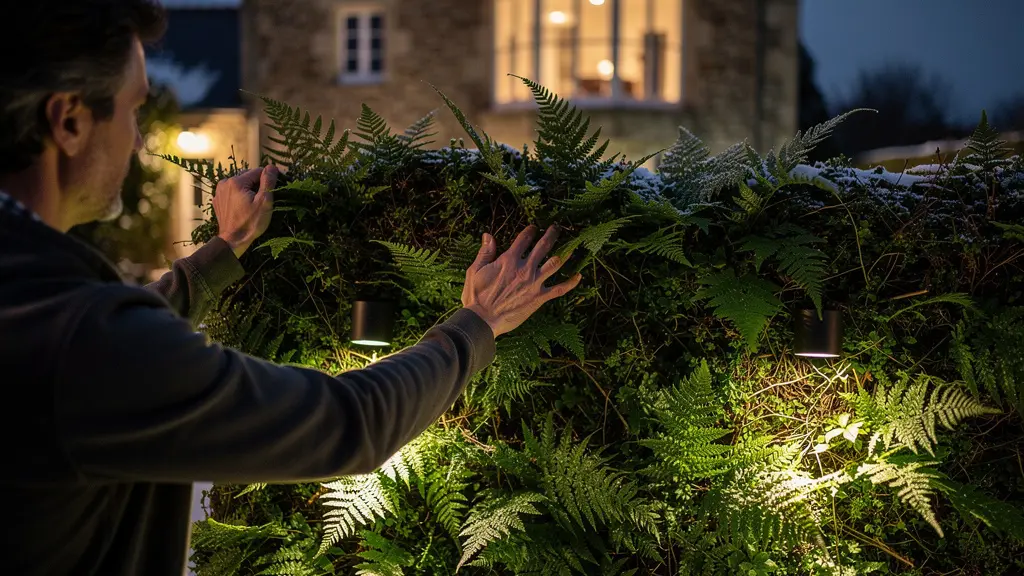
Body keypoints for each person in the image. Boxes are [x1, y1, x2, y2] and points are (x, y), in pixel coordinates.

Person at [0, 1, 582, 574]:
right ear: (70, 120)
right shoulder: (77, 339)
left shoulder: (35, 302)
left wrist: (223, 250)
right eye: (132, 110)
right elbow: (347, 422)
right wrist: (477, 323)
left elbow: (106, 341)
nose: (137, 140)